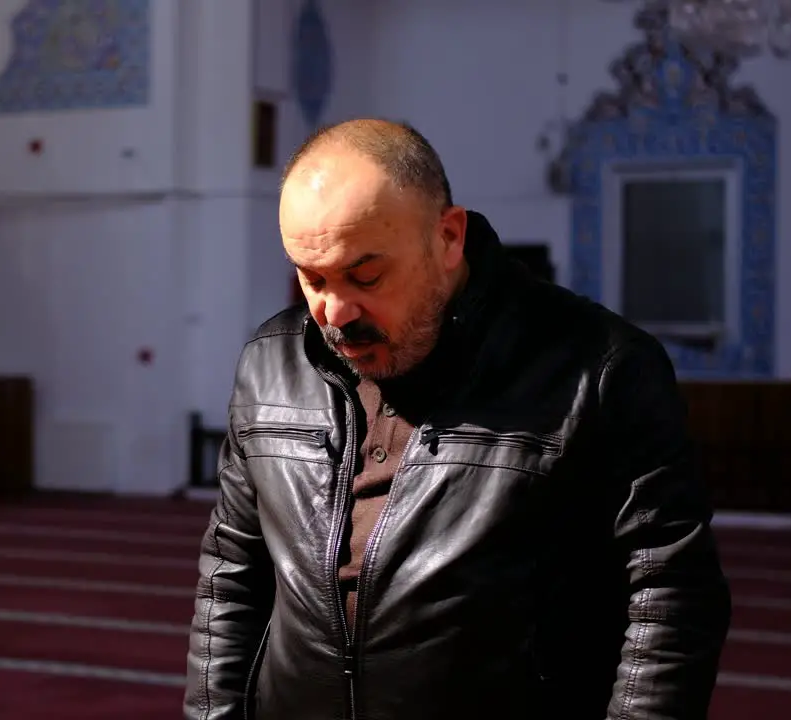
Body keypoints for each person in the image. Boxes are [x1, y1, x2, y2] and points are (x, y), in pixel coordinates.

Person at [183, 118, 731, 719]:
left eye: (366, 275)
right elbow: (232, 576)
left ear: (448, 238)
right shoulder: (270, 363)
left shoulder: (599, 371)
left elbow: (669, 596)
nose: (335, 311)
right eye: (312, 279)